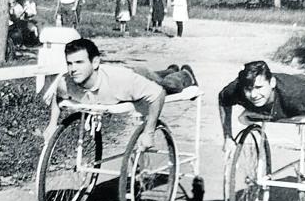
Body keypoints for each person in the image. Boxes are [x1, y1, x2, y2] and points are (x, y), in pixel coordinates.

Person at [43, 38, 197, 150]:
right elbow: (58, 97)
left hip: (133, 78)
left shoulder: (120, 81)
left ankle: (185, 74)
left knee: (168, 85)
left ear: (95, 62)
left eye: (79, 63)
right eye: (69, 63)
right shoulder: (66, 82)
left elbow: (158, 94)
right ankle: (171, 70)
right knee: (156, 77)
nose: (73, 69)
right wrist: (52, 124)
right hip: (131, 78)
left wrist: (149, 132)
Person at [218, 60, 305, 165]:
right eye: (248, 89)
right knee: (291, 87)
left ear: (272, 83)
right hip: (287, 86)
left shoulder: (297, 94)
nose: (253, 94)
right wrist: (228, 137)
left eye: (259, 87)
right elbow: (223, 98)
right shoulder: (238, 88)